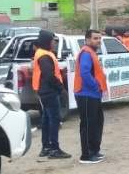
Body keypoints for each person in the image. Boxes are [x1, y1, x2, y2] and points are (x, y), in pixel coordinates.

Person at [33, 30, 71, 159]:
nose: (54, 43)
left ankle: (46, 147)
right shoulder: (44, 56)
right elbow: (49, 75)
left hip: (43, 91)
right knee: (54, 120)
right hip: (49, 91)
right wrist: (61, 89)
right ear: (47, 41)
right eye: (53, 40)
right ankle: (54, 149)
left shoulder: (41, 53)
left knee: (46, 120)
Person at [74, 29, 107, 164]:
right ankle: (86, 155)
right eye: (95, 38)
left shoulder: (92, 52)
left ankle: (94, 150)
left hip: (93, 94)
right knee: (88, 124)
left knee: (97, 123)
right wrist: (96, 86)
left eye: (99, 38)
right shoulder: (87, 53)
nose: (98, 41)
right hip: (86, 94)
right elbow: (85, 73)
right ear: (87, 40)